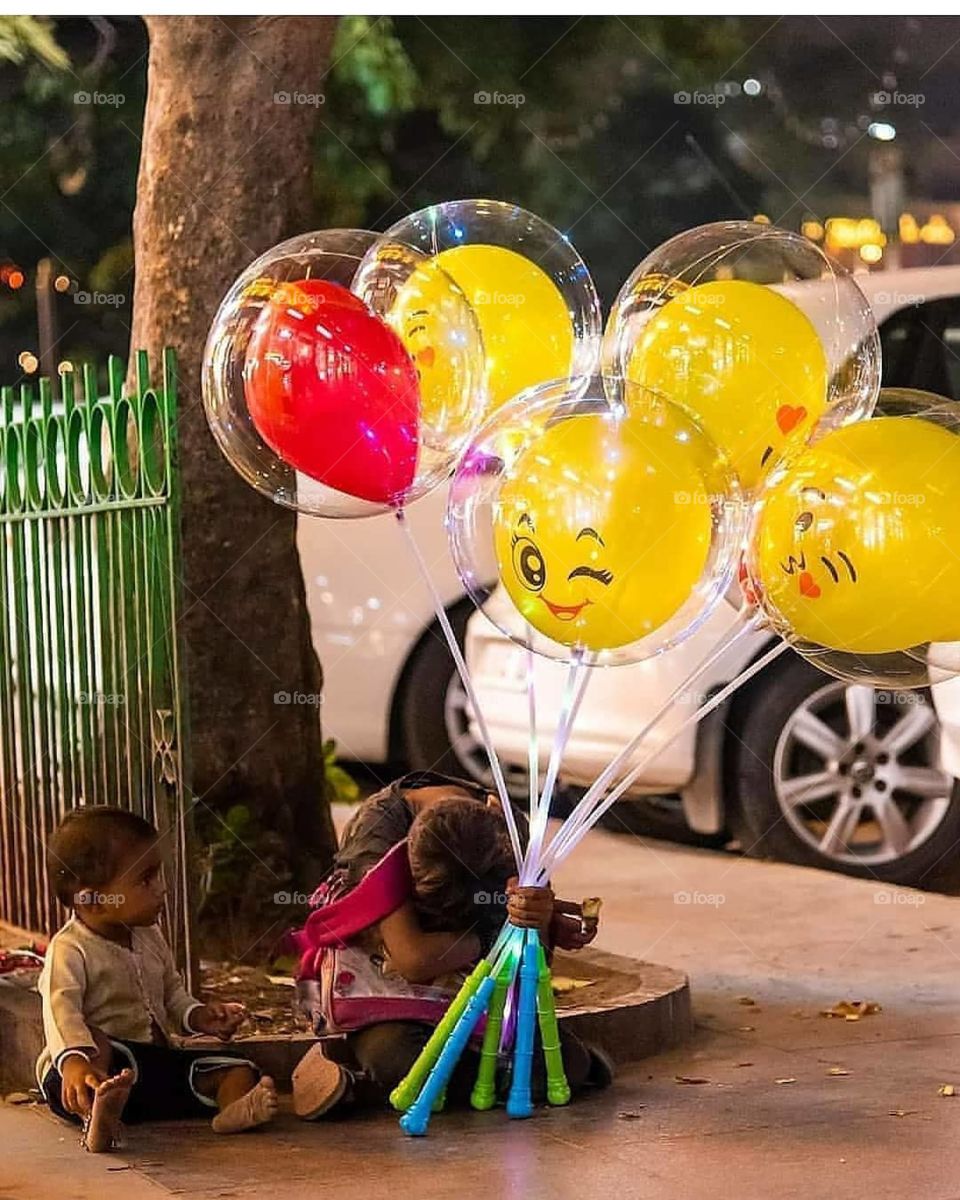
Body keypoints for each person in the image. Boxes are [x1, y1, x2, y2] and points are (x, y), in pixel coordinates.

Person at [290, 771, 610, 1118]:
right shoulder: (379, 834)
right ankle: (474, 1078)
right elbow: (414, 960)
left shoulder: (506, 833)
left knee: (563, 1063)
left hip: (475, 995)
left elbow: (533, 965)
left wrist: (539, 920)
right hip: (395, 1001)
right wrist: (496, 935)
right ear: (411, 860)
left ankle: (388, 1087)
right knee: (397, 1060)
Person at [37, 806, 277, 1153]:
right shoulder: (70, 949)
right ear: (92, 900)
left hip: (149, 1070)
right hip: (88, 1073)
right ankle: (99, 1114)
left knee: (238, 1067)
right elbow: (61, 1013)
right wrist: (75, 1061)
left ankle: (233, 1110)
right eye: (146, 879)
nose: (161, 889)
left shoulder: (150, 936)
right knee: (98, 1043)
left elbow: (172, 995)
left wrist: (199, 1016)